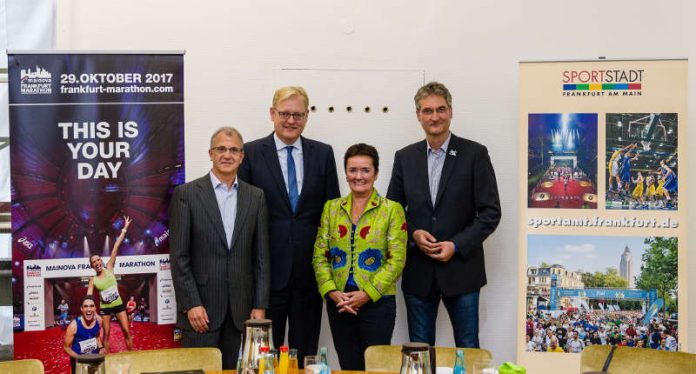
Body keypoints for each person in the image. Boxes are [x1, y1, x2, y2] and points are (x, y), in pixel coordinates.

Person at [386, 81, 501, 348]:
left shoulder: (475, 154)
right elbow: (392, 211)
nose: (434, 117)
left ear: (450, 111)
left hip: (462, 269)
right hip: (419, 270)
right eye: (427, 111)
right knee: (419, 352)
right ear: (418, 115)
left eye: (440, 109)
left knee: (467, 348)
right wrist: (413, 232)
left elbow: (490, 212)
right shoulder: (405, 157)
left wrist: (456, 244)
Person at [238, 86, 340, 364]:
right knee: (263, 357)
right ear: (272, 114)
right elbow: (244, 218)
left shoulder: (323, 153)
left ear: (306, 116)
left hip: (310, 273)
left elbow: (332, 214)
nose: (291, 121)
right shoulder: (251, 153)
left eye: (298, 114)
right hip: (267, 275)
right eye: (285, 114)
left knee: (305, 352)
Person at [170, 126, 270, 369]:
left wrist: (259, 305)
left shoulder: (255, 197)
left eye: (234, 150)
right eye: (221, 149)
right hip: (200, 312)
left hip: (242, 313)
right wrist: (191, 303)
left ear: (242, 156)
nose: (227, 155)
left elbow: (261, 257)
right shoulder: (187, 194)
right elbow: (179, 257)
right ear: (210, 153)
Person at [312, 143, 407, 370]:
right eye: (353, 170)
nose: (359, 176)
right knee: (348, 367)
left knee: (376, 368)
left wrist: (367, 294)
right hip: (340, 304)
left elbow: (397, 260)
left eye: (365, 170)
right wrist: (332, 292)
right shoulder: (332, 208)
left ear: (375, 173)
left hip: (378, 304)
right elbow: (320, 255)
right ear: (345, 173)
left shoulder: (391, 209)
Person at [87, 216, 133, 352]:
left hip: (118, 305)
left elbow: (116, 245)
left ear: (101, 261)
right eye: (94, 262)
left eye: (98, 260)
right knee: (106, 334)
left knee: (126, 330)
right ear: (92, 266)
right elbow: (89, 296)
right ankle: (105, 360)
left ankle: (134, 358)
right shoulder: (93, 280)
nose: (97, 263)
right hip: (105, 309)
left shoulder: (110, 267)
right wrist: (91, 311)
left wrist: (124, 229)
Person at [63, 296, 104, 374]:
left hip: (94, 359)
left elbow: (97, 335)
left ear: (95, 309)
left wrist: (101, 347)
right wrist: (79, 358)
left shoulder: (98, 321)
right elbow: (66, 347)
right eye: (86, 306)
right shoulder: (74, 326)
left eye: (92, 306)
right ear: (81, 309)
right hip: (79, 362)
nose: (89, 309)